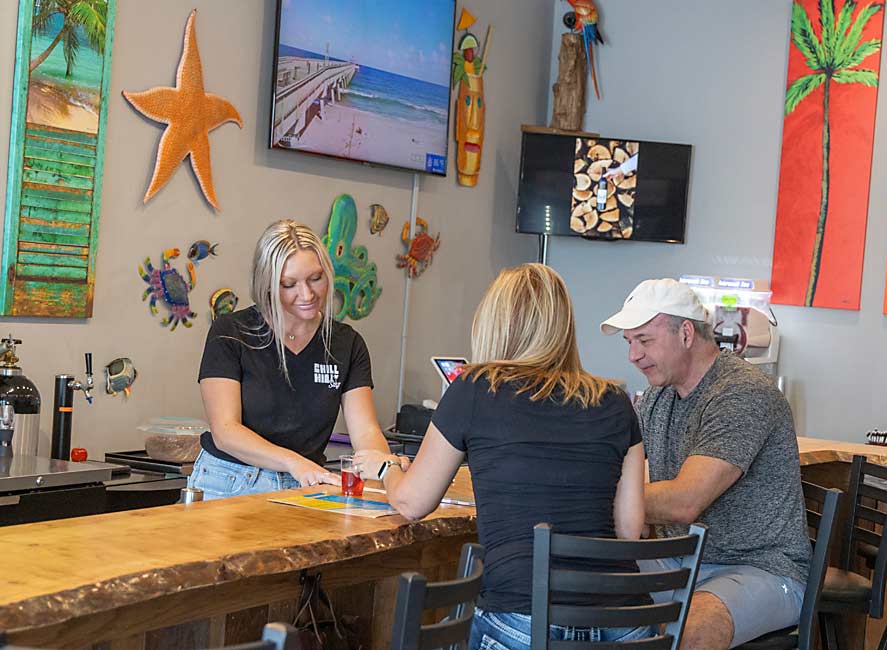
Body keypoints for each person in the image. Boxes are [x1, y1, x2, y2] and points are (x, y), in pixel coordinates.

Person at [355, 263, 650, 649]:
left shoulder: (474, 390)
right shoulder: (615, 401)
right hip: (623, 625)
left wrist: (387, 468)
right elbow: (629, 530)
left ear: (494, 323)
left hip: (522, 623)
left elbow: (412, 502)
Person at [600, 278, 812, 649]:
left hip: (761, 569)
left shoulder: (741, 392)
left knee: (689, 631)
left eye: (644, 340)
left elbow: (686, 502)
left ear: (685, 333)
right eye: (628, 342)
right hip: (679, 562)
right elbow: (613, 467)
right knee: (575, 586)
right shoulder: (656, 396)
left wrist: (595, 498)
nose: (633, 355)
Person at [190, 219, 400, 500]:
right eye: (289, 284)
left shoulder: (346, 343)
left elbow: (367, 431)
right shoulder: (230, 333)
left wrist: (385, 466)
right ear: (266, 285)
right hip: (231, 480)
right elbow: (225, 432)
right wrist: (294, 463)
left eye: (316, 278)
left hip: (307, 483)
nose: (307, 294)